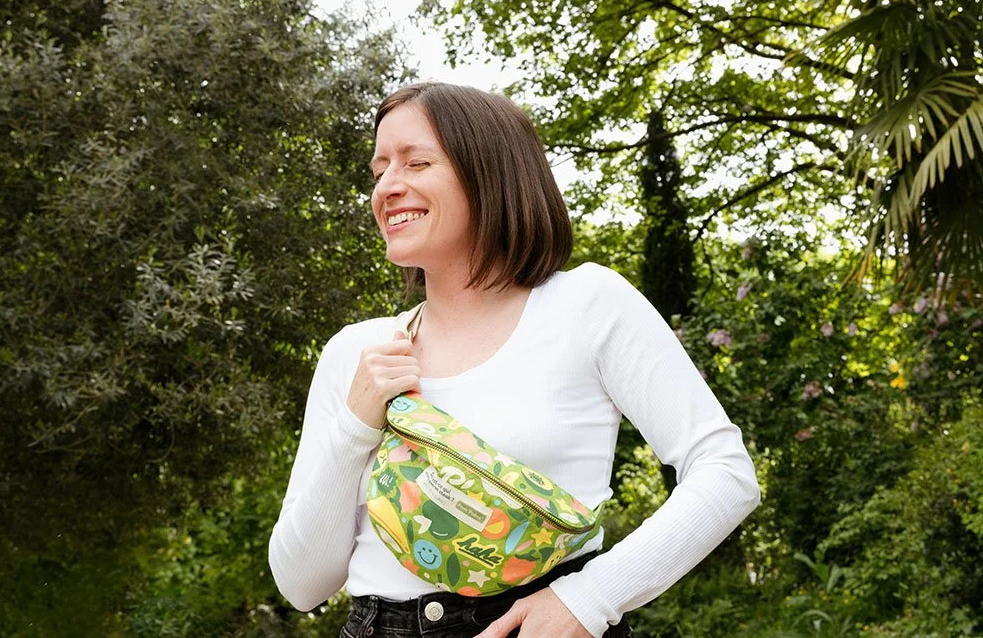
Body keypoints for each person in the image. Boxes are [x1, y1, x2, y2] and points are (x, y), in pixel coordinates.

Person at [268, 82, 761, 638]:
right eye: (379, 170)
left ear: (489, 171)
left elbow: (725, 473)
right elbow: (302, 585)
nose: (387, 186)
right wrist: (355, 426)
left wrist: (590, 598)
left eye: (416, 162)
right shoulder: (356, 352)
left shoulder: (587, 306)